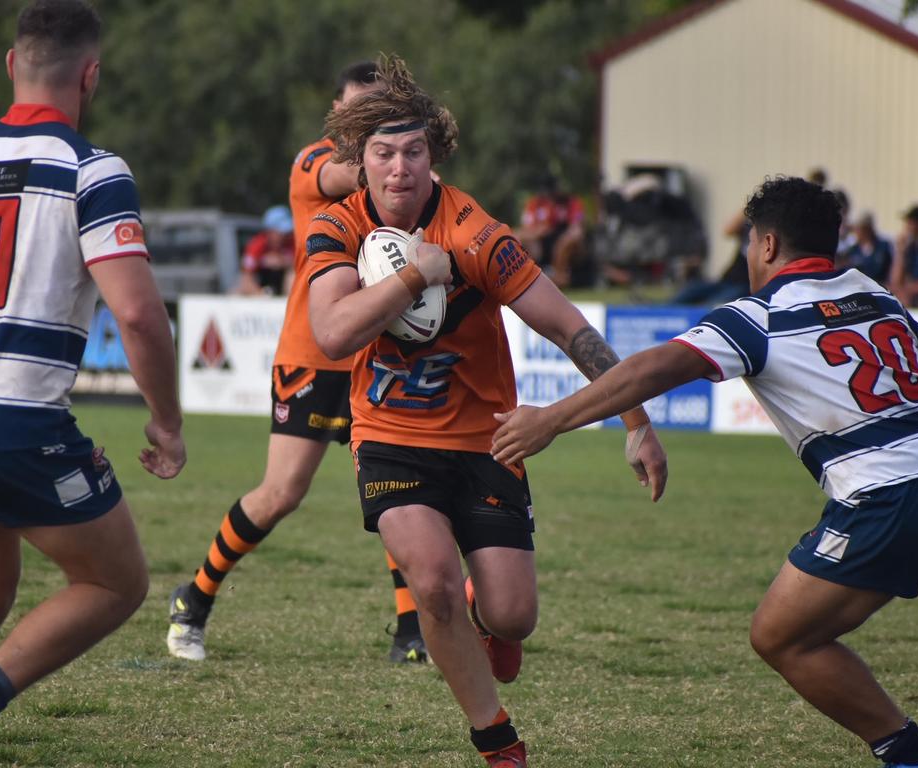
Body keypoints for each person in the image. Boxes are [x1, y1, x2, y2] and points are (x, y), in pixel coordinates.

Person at [492, 176, 918, 768]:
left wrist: (551, 420)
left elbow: (652, 368)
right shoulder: (874, 293)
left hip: (886, 497)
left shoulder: (756, 315)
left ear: (767, 246)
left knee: (782, 637)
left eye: (748, 241)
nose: (747, 254)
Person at [303, 54, 668, 767]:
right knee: (430, 580)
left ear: (433, 155)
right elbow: (333, 331)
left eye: (414, 152)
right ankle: (495, 737)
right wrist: (414, 273)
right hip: (390, 437)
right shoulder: (335, 226)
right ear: (360, 161)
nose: (401, 169)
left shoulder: (475, 235)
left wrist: (639, 426)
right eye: (384, 154)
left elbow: (571, 329)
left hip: (486, 441)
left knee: (512, 616)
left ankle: (485, 612)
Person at [0, 1, 186, 765]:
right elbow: (141, 317)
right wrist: (168, 423)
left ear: (11, 65)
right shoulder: (92, 169)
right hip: (16, 419)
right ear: (91, 75)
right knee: (117, 583)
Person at [166, 61, 428, 665]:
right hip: (312, 354)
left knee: (394, 488)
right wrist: (405, 152)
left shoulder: (392, 172)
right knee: (281, 493)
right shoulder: (318, 162)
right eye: (361, 109)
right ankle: (194, 597)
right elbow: (345, 174)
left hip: (374, 354)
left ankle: (411, 631)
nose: (371, 121)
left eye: (383, 109)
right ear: (337, 114)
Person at [518, 174, 585, 288]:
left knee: (566, 241)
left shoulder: (570, 202)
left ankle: (559, 276)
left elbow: (577, 228)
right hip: (542, 241)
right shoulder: (536, 203)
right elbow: (532, 228)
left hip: (563, 241)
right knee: (519, 237)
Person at [235, 205, 295, 296]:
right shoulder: (257, 244)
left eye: (287, 232)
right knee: (238, 289)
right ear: (269, 231)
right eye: (281, 232)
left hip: (284, 287)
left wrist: (283, 262)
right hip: (260, 288)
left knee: (292, 274)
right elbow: (246, 276)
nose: (285, 236)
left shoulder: (292, 243)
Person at [838, 211, 892, 286]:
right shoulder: (853, 250)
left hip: (879, 286)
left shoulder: (883, 247)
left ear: (867, 229)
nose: (856, 232)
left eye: (858, 228)